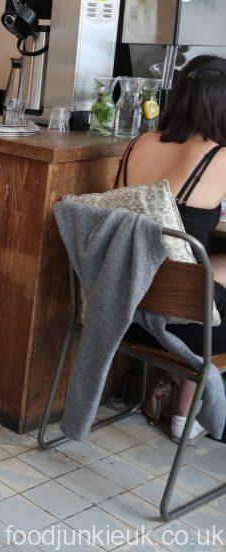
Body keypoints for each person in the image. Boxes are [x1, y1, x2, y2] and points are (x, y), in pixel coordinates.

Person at [118, 55, 226, 444]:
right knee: (204, 278)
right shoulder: (219, 155)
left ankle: (185, 398)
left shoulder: (139, 143)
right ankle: (190, 407)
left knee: (195, 267)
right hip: (181, 324)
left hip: (124, 305)